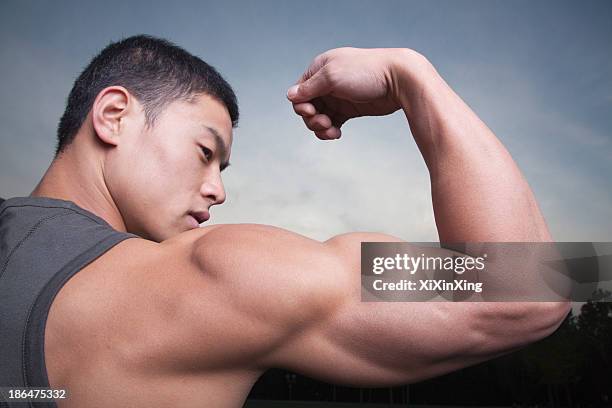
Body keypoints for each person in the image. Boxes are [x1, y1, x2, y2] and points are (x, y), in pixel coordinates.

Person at [0, 35, 569, 407]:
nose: (218, 190)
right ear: (114, 115)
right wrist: (411, 76)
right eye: (205, 152)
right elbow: (529, 285)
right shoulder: (216, 278)